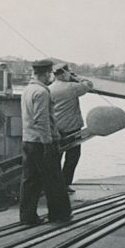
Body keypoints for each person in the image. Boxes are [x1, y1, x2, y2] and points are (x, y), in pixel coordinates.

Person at [19, 59, 72, 224]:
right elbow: (41, 121)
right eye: (50, 73)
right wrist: (48, 143)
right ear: (46, 73)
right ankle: (59, 215)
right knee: (54, 180)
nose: (51, 76)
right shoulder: (42, 92)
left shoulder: (28, 89)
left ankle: (27, 217)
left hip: (28, 141)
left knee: (30, 180)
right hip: (41, 143)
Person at [49, 63, 94, 194]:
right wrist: (76, 77)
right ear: (64, 73)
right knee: (72, 157)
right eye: (68, 72)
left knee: (56, 158)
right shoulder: (71, 87)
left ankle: (53, 185)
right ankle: (65, 184)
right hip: (71, 129)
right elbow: (89, 84)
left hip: (55, 129)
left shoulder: (49, 88)